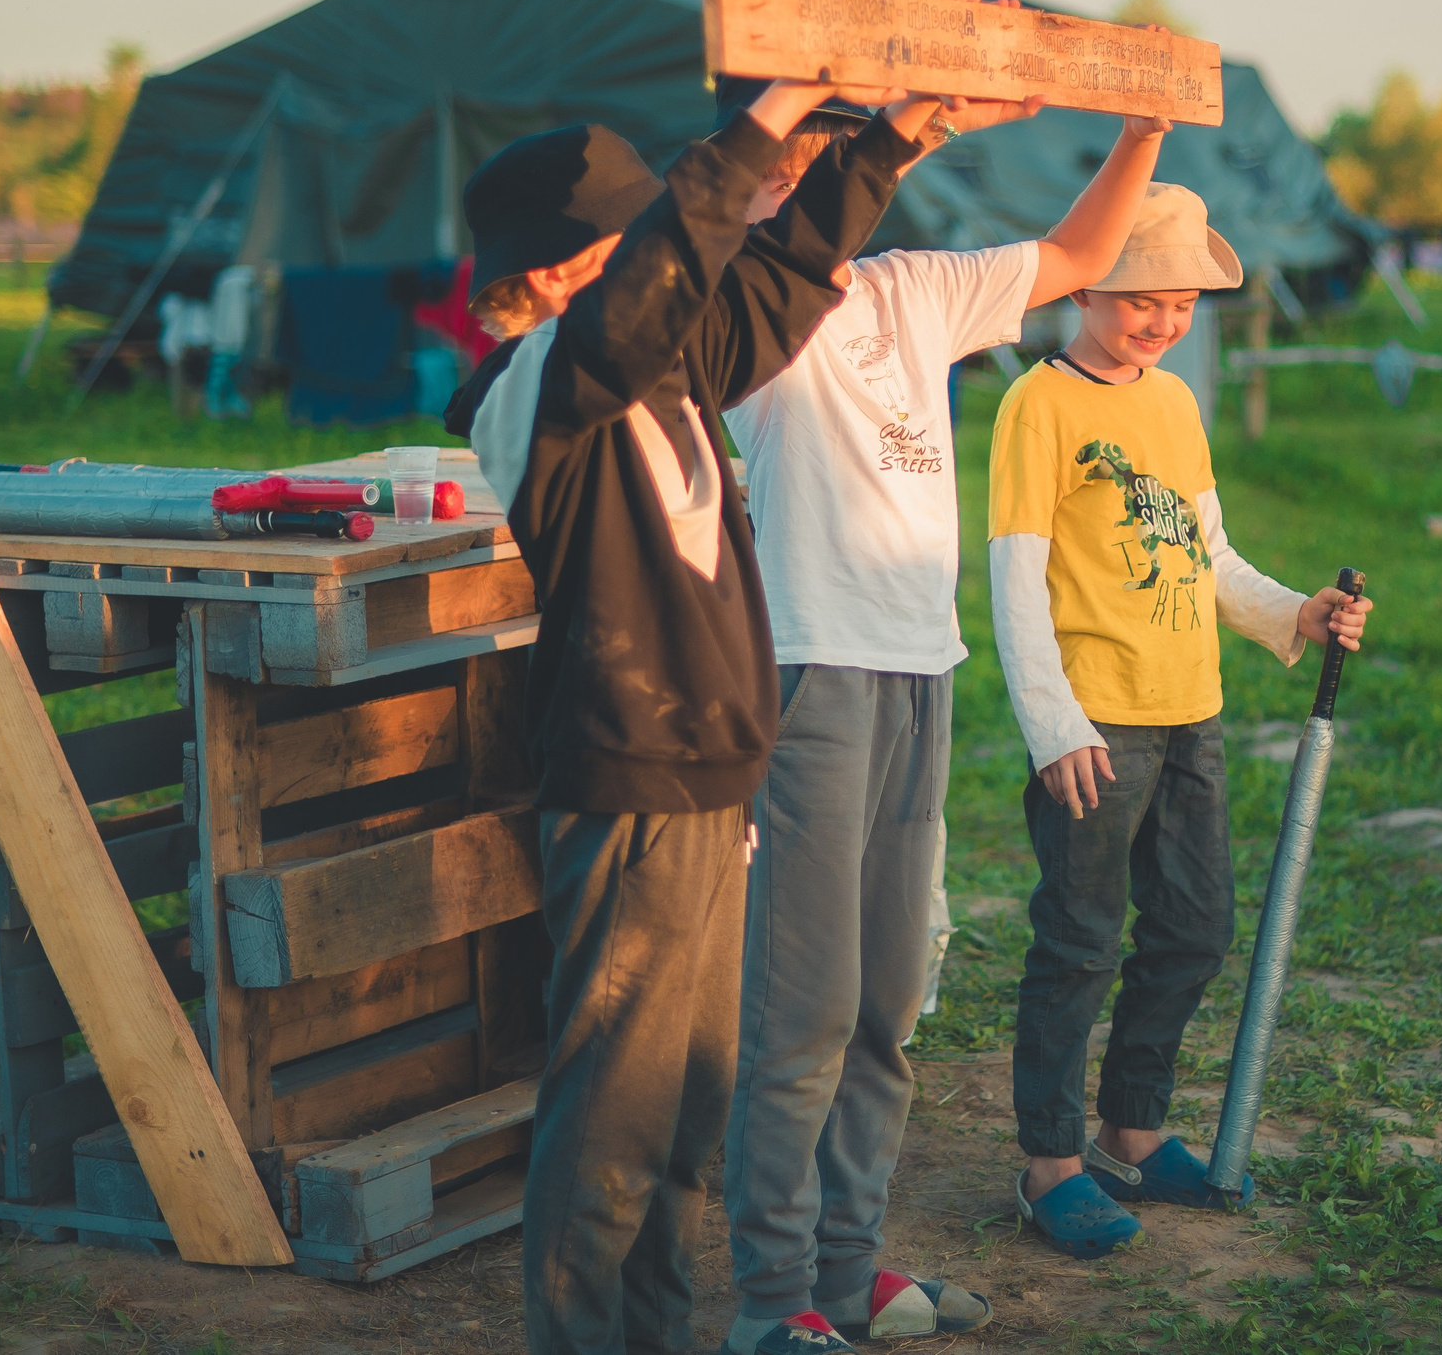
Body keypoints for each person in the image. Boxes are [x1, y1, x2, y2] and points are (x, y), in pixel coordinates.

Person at [443, 67, 943, 1355]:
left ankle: (657, 1336)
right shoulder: (539, 385)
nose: (657, 263)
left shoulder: (661, 368)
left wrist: (888, 143)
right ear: (556, 274)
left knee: (684, 1109)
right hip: (625, 777)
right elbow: (655, 291)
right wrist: (763, 124)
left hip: (707, 775)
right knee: (614, 1108)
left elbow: (777, 282)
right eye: (622, 242)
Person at [716, 72, 1172, 1353]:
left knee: (885, 1006)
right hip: (807, 669)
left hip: (920, 664)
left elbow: (1082, 252)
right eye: (787, 162)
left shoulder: (913, 286)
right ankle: (771, 1305)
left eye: (821, 158)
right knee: (801, 1012)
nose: (806, 181)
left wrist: (1140, 128)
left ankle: (851, 1271)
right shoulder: (740, 308)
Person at [985, 188, 1372, 1258]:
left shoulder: (1171, 407)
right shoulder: (1039, 404)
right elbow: (1014, 579)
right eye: (1138, 299)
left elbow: (1211, 558)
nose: (1160, 321)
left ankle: (1131, 1132)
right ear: (1086, 285)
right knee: (1079, 941)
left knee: (1195, 929)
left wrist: (1294, 612)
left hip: (1187, 711)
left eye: (1181, 302)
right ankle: (1050, 1164)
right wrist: (1051, 722)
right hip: (1094, 727)